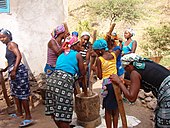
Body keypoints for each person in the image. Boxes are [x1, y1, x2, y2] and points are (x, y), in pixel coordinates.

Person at [109, 53, 170, 128]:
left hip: (168, 93)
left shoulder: (134, 72)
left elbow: (131, 98)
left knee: (164, 123)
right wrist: (125, 83)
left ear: (129, 66)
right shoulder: (145, 65)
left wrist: (119, 82)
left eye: (126, 69)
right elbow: (145, 87)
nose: (126, 71)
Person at [45, 36, 87, 128]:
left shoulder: (61, 55)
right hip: (63, 83)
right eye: (78, 44)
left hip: (51, 80)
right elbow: (83, 72)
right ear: (73, 45)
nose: (80, 46)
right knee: (64, 111)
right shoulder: (77, 55)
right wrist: (85, 67)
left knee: (55, 109)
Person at [0, 29, 33, 127]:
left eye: (3, 37)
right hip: (14, 71)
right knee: (15, 94)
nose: (1, 39)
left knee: (22, 94)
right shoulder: (8, 45)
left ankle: (28, 117)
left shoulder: (12, 44)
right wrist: (6, 69)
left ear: (9, 36)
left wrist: (14, 70)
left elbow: (19, 56)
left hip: (18, 72)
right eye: (0, 38)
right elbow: (12, 60)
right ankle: (19, 113)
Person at [92, 39, 119, 128]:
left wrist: (94, 68)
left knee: (108, 110)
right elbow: (118, 48)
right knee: (115, 109)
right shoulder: (113, 55)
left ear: (100, 50)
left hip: (107, 84)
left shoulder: (100, 59)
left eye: (95, 51)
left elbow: (100, 76)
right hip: (117, 82)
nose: (95, 53)